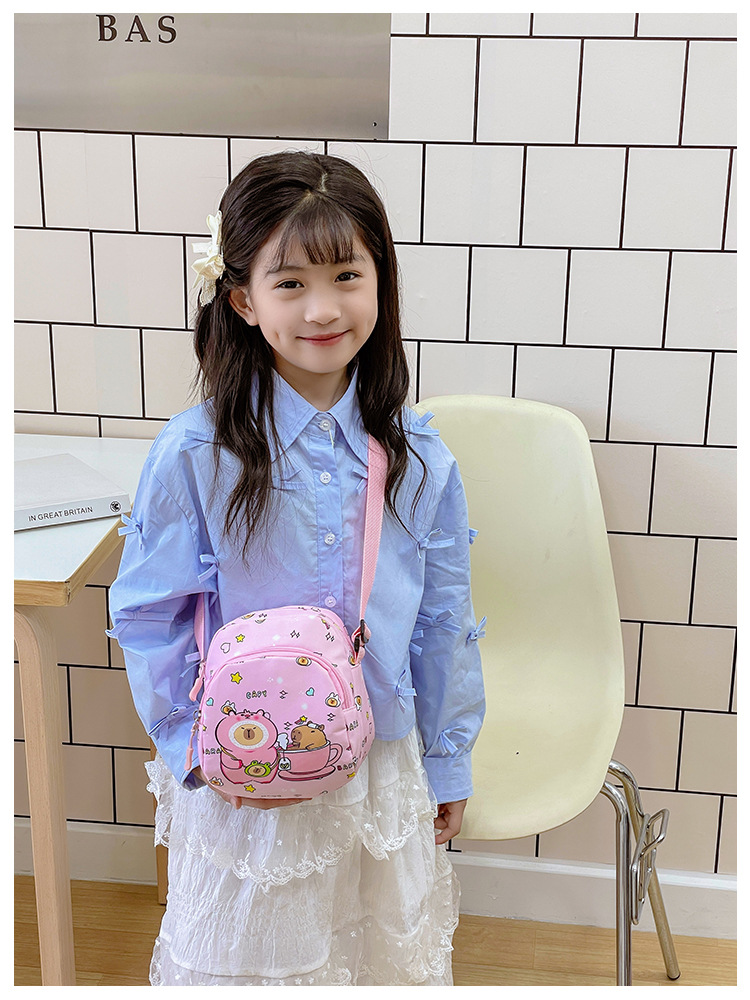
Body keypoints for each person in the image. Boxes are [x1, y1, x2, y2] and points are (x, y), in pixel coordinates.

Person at [108, 151, 486, 987]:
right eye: (290, 283)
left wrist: (449, 758)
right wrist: (192, 745)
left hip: (381, 761)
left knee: (374, 962)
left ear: (381, 282)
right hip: (248, 770)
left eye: (347, 275)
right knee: (253, 966)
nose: (323, 308)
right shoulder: (196, 452)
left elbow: (442, 619)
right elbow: (149, 612)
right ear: (242, 299)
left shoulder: (419, 456)